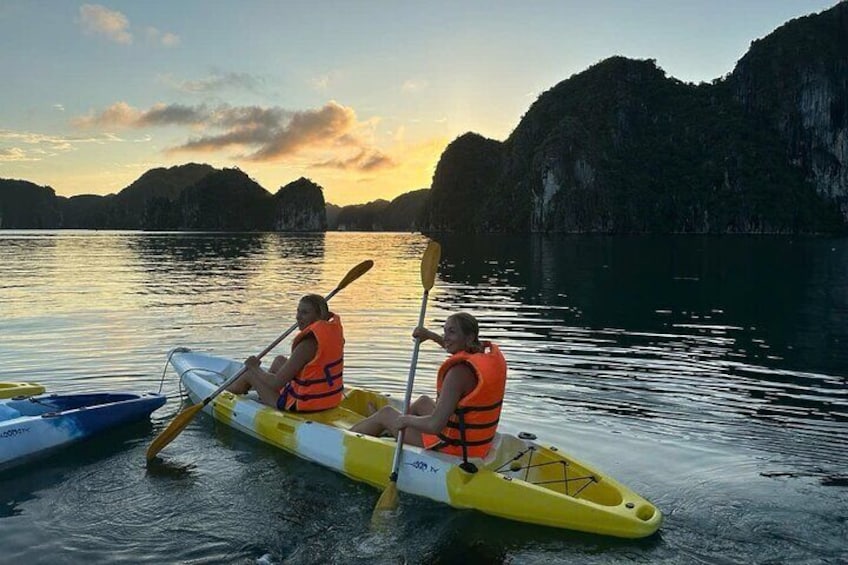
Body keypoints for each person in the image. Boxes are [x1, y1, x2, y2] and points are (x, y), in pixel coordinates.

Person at [350, 312, 507, 461]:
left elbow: (435, 425)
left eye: (452, 332)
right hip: (474, 443)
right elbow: (455, 347)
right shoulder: (484, 356)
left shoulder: (458, 374)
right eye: (445, 331)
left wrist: (405, 420)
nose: (446, 338)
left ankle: (351, 435)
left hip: (453, 448)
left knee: (386, 413)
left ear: (469, 337)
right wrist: (430, 336)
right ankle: (387, 429)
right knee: (423, 401)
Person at [227, 294, 344, 412]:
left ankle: (225, 394)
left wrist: (254, 367)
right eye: (298, 312)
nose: (298, 317)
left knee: (250, 374)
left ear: (319, 316)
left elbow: (276, 383)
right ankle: (260, 393)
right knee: (279, 360)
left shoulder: (306, 346)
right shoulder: (333, 336)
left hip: (302, 405)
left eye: (305, 313)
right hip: (327, 400)